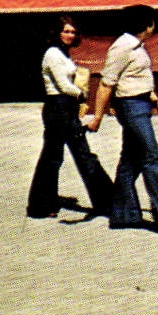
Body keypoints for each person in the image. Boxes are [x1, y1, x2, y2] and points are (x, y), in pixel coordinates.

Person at [87, 5, 158, 232]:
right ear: (146, 24)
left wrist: (156, 102)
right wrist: (98, 117)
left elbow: (137, 79)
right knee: (152, 157)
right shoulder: (122, 47)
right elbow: (106, 83)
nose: (154, 26)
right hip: (130, 107)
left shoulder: (137, 46)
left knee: (130, 161)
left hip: (141, 104)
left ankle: (124, 215)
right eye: (152, 22)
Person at [26, 15, 114, 219]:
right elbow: (63, 85)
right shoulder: (52, 54)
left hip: (66, 108)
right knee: (62, 156)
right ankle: (108, 202)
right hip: (58, 107)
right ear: (57, 33)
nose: (70, 35)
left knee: (65, 156)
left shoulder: (63, 54)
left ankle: (43, 205)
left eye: (73, 32)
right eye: (66, 31)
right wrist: (82, 94)